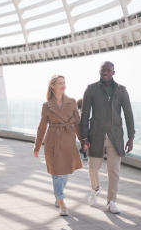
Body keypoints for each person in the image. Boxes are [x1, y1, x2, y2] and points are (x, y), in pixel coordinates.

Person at [80, 61, 135, 214]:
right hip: (95, 135)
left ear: (113, 72)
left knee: (114, 170)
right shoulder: (91, 89)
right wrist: (84, 137)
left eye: (108, 70)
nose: (105, 72)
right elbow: (84, 115)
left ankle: (112, 201)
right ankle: (95, 188)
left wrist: (131, 137)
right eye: (103, 70)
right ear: (99, 71)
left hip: (115, 136)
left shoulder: (121, 91)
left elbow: (128, 115)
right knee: (93, 168)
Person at [34, 74, 83, 216]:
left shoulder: (72, 102)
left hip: (68, 140)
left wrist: (82, 140)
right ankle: (61, 202)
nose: (63, 84)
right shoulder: (47, 105)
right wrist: (37, 147)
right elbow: (42, 127)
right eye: (60, 83)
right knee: (57, 174)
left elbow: (78, 123)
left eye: (64, 82)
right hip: (53, 141)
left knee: (66, 173)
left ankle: (58, 195)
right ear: (53, 86)